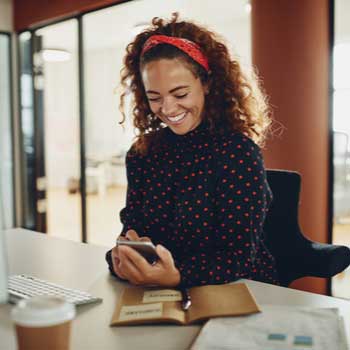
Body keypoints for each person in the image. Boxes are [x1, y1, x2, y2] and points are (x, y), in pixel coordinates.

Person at [105, 13, 279, 288]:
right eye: (154, 98)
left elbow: (239, 257)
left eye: (180, 94)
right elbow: (132, 229)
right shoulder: (141, 154)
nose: (168, 109)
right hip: (160, 289)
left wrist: (177, 275)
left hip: (238, 289)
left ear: (207, 84)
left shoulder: (237, 152)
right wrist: (125, 255)